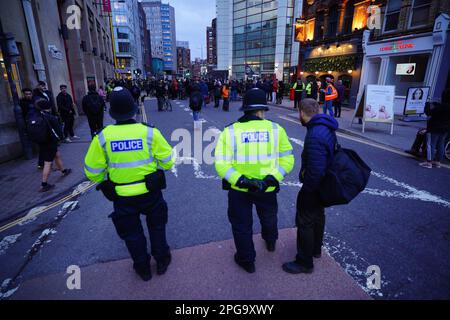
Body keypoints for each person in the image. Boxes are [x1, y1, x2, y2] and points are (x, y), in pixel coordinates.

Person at [84, 87, 174, 281]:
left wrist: (104, 182)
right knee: (157, 227)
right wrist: (156, 168)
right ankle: (161, 261)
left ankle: (143, 268)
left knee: (132, 234)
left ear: (112, 112)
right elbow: (168, 161)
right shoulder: (150, 133)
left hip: (122, 196)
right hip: (150, 191)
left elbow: (91, 171)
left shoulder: (102, 137)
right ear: (134, 109)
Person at [214, 88, 295, 273]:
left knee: (241, 225)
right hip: (267, 188)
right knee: (268, 216)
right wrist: (272, 179)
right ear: (263, 109)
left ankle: (247, 260)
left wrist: (241, 181)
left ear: (245, 108)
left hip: (240, 189)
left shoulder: (230, 131)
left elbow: (221, 164)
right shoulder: (276, 129)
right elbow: (288, 159)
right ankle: (271, 240)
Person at [282, 98, 338, 274]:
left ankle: (304, 262)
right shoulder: (324, 127)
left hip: (315, 185)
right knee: (318, 215)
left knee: (305, 220)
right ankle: (315, 249)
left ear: (301, 112)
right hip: (324, 183)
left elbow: (315, 169)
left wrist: (307, 190)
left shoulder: (315, 135)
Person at [34, 99, 72, 192]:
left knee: (57, 155)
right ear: (49, 107)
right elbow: (58, 130)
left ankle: (63, 170)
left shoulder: (37, 115)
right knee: (48, 163)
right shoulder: (50, 117)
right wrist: (61, 138)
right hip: (50, 142)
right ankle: (44, 184)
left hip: (42, 142)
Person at [419, 89, 450, 169]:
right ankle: (437, 162)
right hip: (445, 128)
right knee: (441, 144)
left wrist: (426, 105)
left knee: (431, 145)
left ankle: (428, 162)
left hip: (434, 127)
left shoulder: (442, 106)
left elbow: (429, 112)